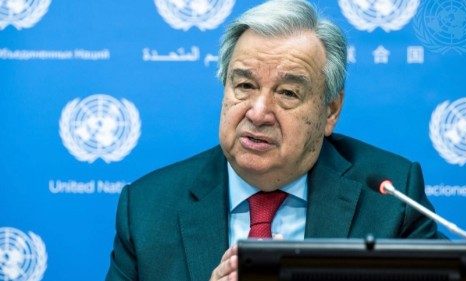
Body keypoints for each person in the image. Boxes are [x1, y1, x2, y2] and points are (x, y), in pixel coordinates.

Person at [105, 1, 444, 280]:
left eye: (287, 93)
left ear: (330, 110)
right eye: (245, 86)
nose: (258, 112)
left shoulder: (390, 197)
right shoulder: (148, 208)